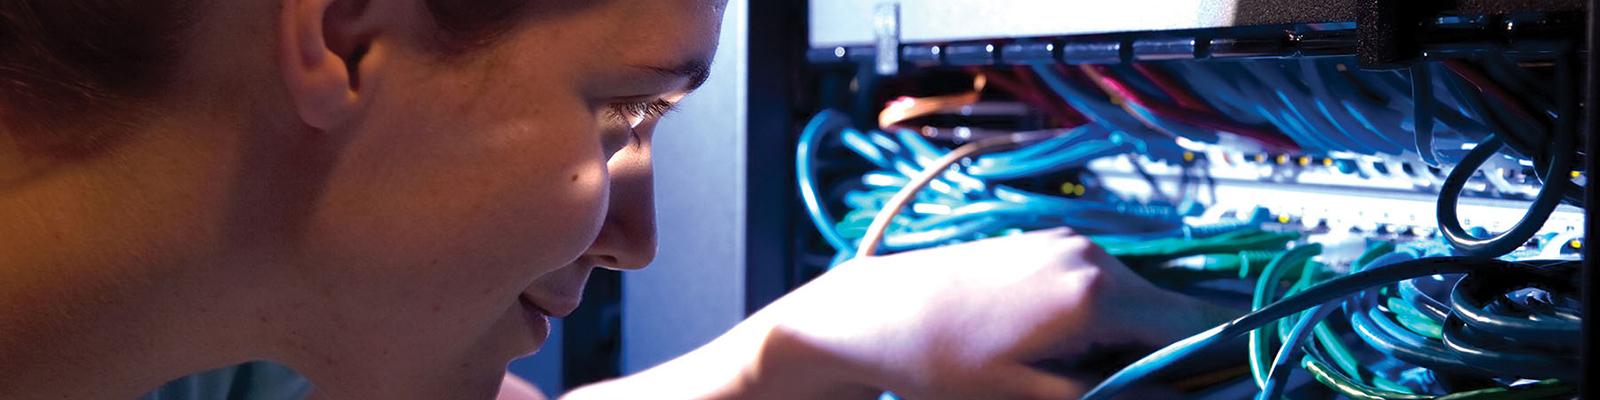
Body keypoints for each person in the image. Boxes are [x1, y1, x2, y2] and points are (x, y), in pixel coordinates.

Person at [0, 0, 1234, 398]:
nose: (637, 245)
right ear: (344, 37)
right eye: (624, 111)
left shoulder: (197, 328)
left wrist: (774, 358)